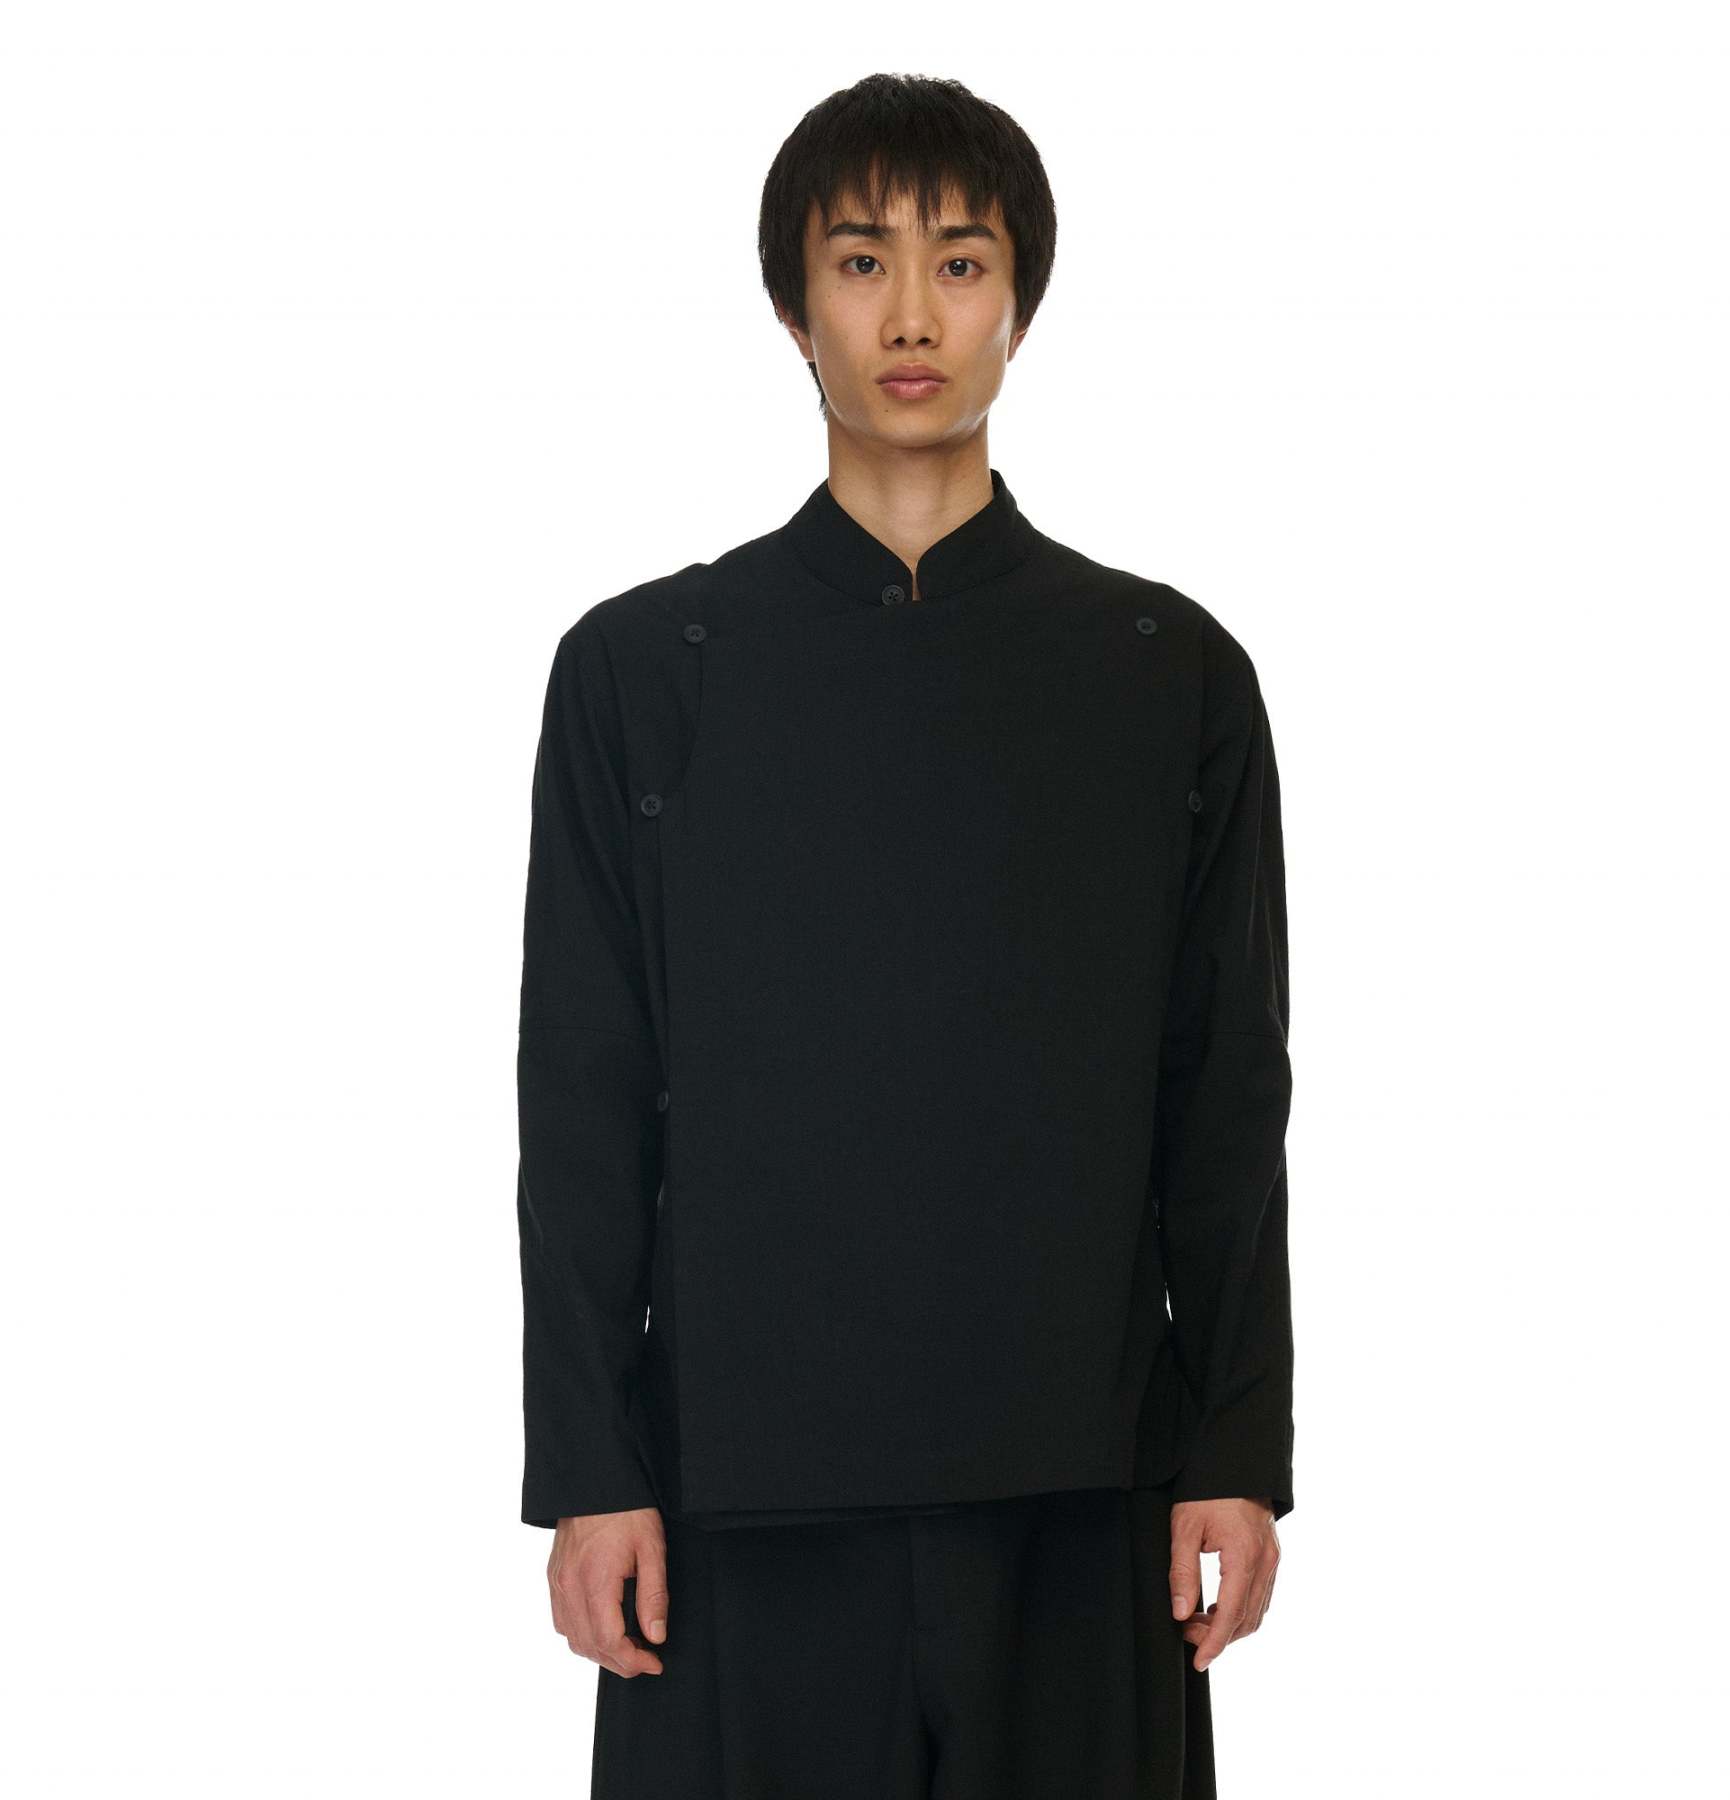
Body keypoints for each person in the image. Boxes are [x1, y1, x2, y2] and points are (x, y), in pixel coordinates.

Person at [514, 71, 1295, 1800]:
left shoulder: (1166, 675)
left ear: (1022, 299)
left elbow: (1227, 1089)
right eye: (863, 261)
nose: (915, 315)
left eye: (963, 260)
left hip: (1084, 1491)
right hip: (733, 1500)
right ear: (795, 307)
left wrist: (1236, 1441)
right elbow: (581, 1091)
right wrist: (589, 1465)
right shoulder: (641, 675)